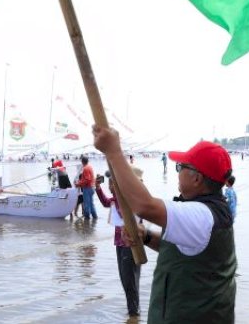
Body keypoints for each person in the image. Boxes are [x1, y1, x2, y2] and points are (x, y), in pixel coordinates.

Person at [93, 126, 236, 323]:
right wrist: (146, 237)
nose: (177, 172)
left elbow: (144, 206)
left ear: (196, 178)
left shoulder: (202, 214)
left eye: (181, 167)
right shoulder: (207, 210)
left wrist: (114, 153)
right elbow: (182, 250)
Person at [96, 167, 145, 317]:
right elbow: (106, 203)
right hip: (120, 244)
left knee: (129, 280)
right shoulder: (119, 199)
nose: (110, 186)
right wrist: (98, 188)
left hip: (129, 246)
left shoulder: (129, 199)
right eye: (110, 183)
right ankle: (134, 312)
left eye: (112, 182)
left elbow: (126, 215)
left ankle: (134, 313)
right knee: (127, 280)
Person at [74, 155, 97, 220]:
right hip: (91, 187)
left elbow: (87, 179)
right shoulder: (90, 167)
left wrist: (78, 184)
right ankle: (95, 218)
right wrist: (80, 182)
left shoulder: (85, 168)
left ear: (82, 161)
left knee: (86, 205)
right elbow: (88, 179)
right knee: (91, 204)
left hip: (87, 188)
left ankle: (87, 221)